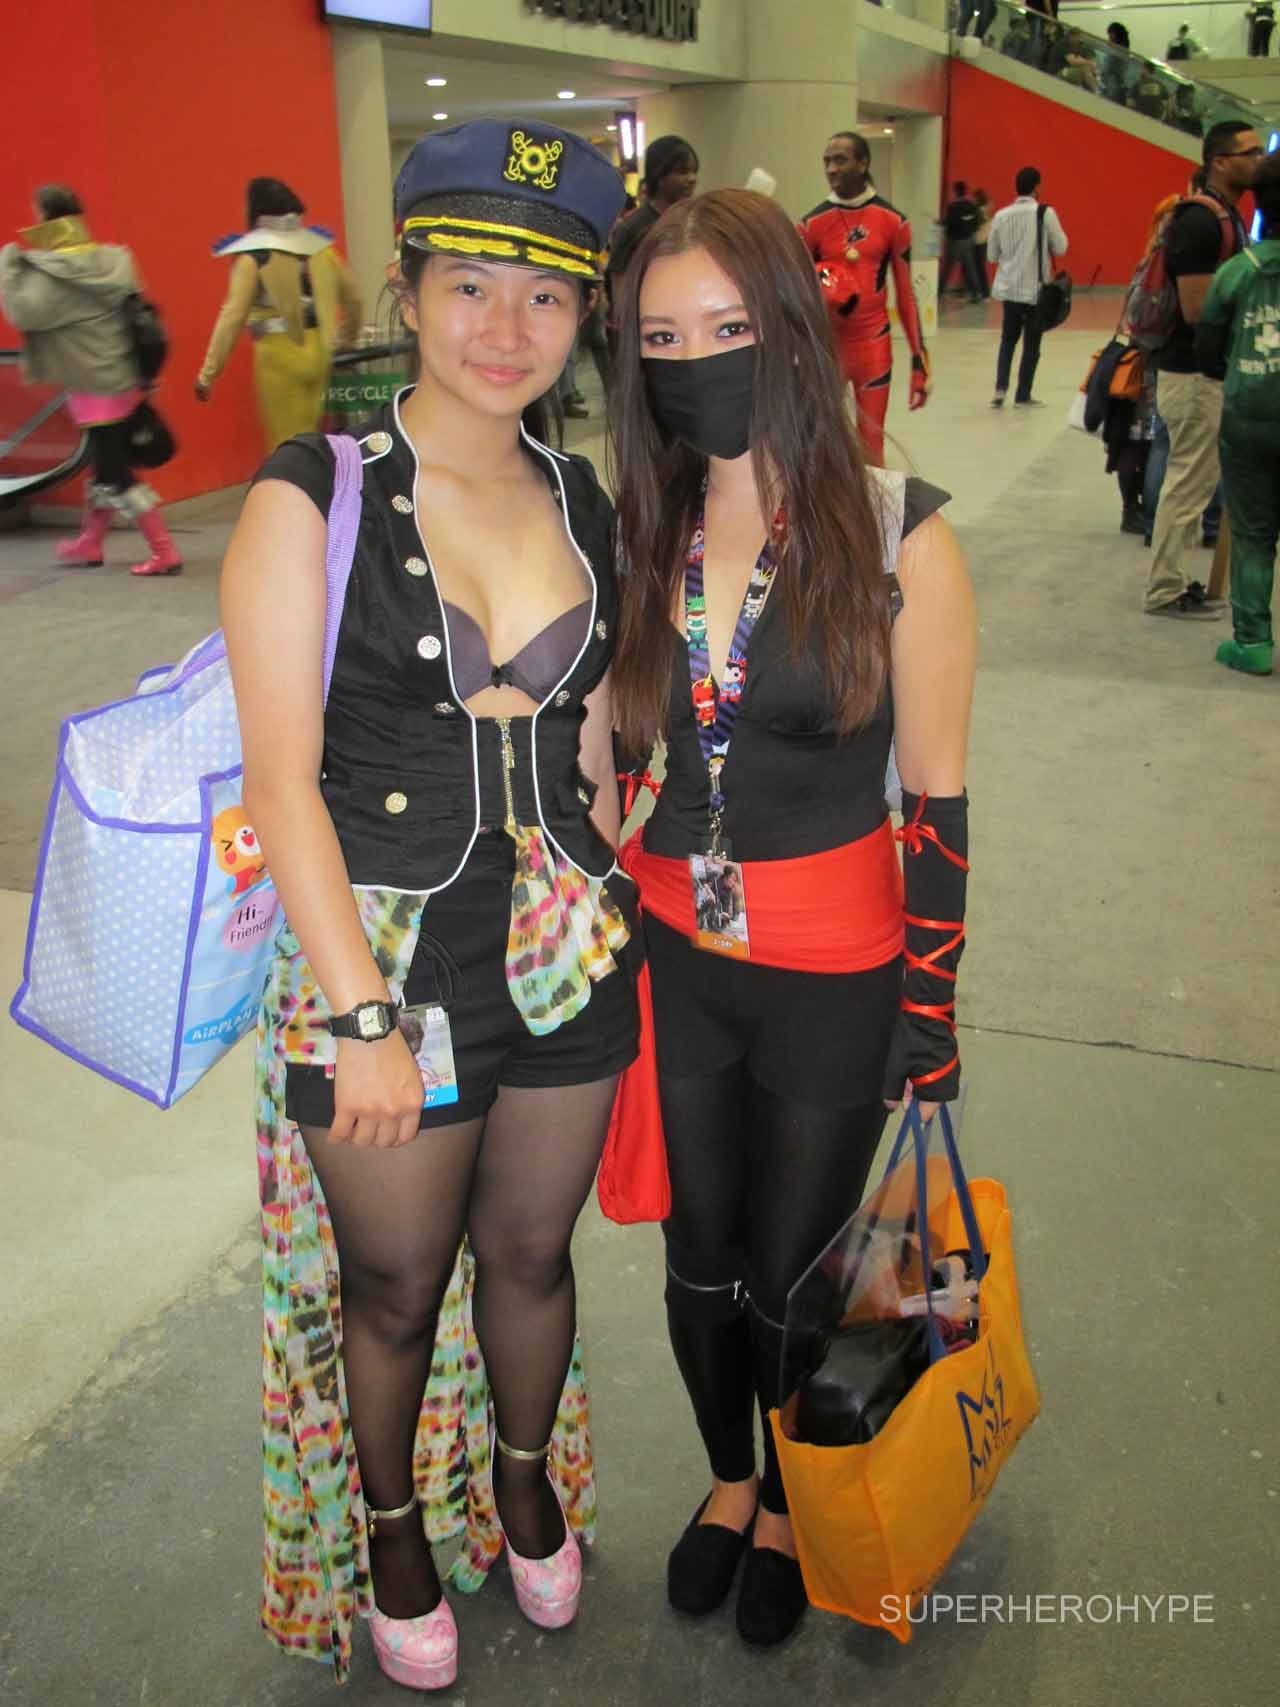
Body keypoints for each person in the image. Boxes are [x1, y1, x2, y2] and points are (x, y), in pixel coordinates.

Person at [220, 119, 634, 1691]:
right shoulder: (310, 492)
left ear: (582, 314)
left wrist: (622, 891)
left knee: (532, 1251)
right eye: (469, 286)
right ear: (404, 290)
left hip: (568, 952)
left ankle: (522, 1480)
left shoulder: (583, 494)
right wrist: (361, 1019)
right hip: (382, 957)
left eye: (545, 296)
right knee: (394, 1282)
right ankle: (394, 1526)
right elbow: (281, 782)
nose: (505, 329)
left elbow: (592, 737)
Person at [609, 187, 976, 1649]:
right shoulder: (640, 526)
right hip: (674, 957)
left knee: (792, 1267)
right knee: (697, 1258)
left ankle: (783, 1497)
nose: (694, 361)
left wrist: (927, 1020)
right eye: (659, 339)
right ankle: (727, 1475)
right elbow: (610, 751)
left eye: (725, 327)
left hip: (835, 961)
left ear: (790, 326)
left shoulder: (898, 535)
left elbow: (935, 799)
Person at [0, 185, 182, 576]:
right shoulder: (114, 261)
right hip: (123, 374)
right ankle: (90, 543)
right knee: (103, 467)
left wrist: (8, 264)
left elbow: (23, 313)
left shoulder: (52, 275)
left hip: (91, 383)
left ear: (46, 219)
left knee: (115, 472)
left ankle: (164, 550)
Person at [1144, 120, 1262, 619]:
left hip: (1201, 374)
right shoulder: (1200, 221)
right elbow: (1196, 309)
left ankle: (1173, 580)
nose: (1259, 159)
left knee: (1192, 482)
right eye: (1250, 152)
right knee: (1188, 484)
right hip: (1191, 374)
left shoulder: (1225, 215)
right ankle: (1164, 590)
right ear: (1220, 161)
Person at [196, 177, 361, 450]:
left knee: (285, 448)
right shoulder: (322, 250)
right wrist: (347, 339)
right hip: (319, 351)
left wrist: (208, 373)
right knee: (311, 439)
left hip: (278, 353)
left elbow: (232, 317)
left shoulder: (254, 258)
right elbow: (354, 299)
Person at [1195, 151, 1280, 675]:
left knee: (1252, 531)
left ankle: (1253, 643)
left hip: (1249, 418)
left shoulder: (1237, 272)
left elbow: (1208, 353)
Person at [798, 131, 930, 464]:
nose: (831, 169)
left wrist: (920, 362)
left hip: (873, 344)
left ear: (863, 163)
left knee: (871, 443)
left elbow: (906, 295)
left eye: (840, 160)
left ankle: (871, 500)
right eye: (827, 161)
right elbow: (795, 292)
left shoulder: (894, 222)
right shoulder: (811, 225)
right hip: (828, 347)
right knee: (818, 441)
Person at [986, 166, 1068, 407]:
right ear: (1037, 187)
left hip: (1008, 288)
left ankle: (1000, 389)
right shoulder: (1045, 213)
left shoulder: (1001, 216)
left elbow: (992, 255)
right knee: (1032, 343)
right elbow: (1061, 247)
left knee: (1008, 340)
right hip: (1034, 290)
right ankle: (1023, 394)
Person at [605, 135, 698, 313]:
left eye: (694, 171)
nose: (692, 178)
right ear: (660, 176)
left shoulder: (692, 221)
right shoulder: (632, 228)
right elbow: (620, 292)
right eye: (683, 172)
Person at [942, 181, 983, 301]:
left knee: (947, 267)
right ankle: (976, 293)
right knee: (970, 268)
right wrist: (971, 231)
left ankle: (939, 291)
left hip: (954, 240)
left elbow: (949, 222)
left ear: (955, 191)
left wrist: (942, 225)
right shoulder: (972, 206)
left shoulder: (953, 206)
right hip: (968, 240)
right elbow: (978, 220)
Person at [972, 187, 994, 296]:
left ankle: (984, 292)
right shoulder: (988, 208)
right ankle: (984, 291)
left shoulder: (979, 211)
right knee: (979, 268)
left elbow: (977, 225)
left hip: (979, 241)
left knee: (979, 268)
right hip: (985, 240)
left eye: (975, 197)